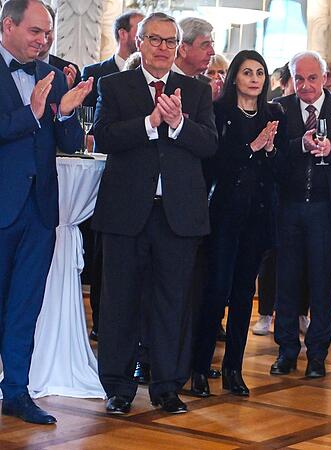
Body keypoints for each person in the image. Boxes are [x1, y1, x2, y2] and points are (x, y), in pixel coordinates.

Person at [92, 11, 217, 415]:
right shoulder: (115, 85)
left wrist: (178, 124)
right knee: (120, 303)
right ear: (140, 43)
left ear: (177, 47)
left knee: (173, 303)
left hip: (177, 216)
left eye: (170, 41)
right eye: (155, 39)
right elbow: (103, 137)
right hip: (125, 213)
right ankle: (118, 388)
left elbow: (210, 145)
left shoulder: (196, 91)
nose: (163, 48)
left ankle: (166, 387)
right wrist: (150, 122)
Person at [0, 0, 91, 424]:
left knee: (25, 306)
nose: (43, 40)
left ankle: (17, 392)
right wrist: (31, 114)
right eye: (35, 31)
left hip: (39, 212)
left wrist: (66, 111)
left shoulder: (50, 75)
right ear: (8, 25)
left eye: (47, 33)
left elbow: (69, 143)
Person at [190, 50, 284, 398]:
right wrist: (252, 147)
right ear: (235, 78)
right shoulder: (219, 112)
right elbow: (213, 163)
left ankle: (234, 369)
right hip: (224, 215)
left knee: (245, 294)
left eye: (260, 72)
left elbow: (282, 170)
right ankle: (200, 368)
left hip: (258, 218)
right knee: (216, 291)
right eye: (247, 72)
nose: (255, 79)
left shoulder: (274, 114)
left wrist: (271, 151)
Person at [269, 51, 331, 378]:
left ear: (324, 78)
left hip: (324, 209)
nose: (305, 85)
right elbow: (273, 156)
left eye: (312, 78)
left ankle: (318, 355)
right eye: (299, 79)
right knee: (286, 282)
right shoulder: (279, 109)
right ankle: (286, 351)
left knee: (322, 285)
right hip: (288, 207)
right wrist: (301, 145)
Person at [81, 9, 144, 342]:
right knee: (104, 253)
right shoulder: (97, 74)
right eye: (141, 31)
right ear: (123, 34)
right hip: (102, 170)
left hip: (138, 174)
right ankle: (101, 321)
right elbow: (90, 126)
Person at [37, 3, 78, 88]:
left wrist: (65, 90)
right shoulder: (12, 66)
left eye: (48, 32)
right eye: (36, 31)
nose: (43, 38)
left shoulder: (69, 70)